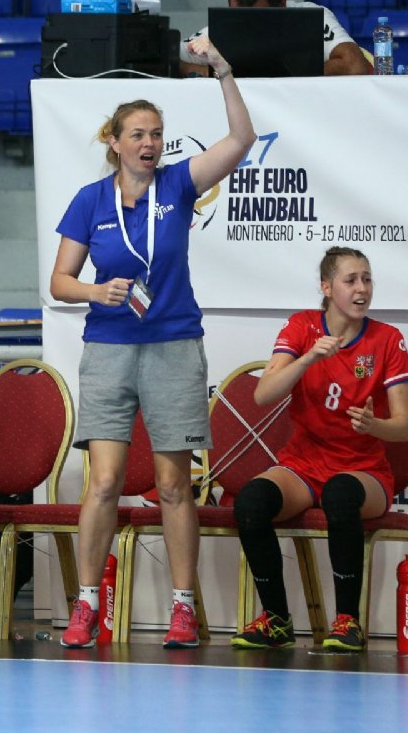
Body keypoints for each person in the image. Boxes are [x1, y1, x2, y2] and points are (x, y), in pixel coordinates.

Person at [50, 35, 256, 649]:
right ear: (114, 142)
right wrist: (97, 291)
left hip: (173, 344)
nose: (149, 143)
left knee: (172, 484)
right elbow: (60, 281)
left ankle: (184, 607)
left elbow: (242, 140)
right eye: (138, 134)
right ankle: (87, 604)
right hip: (108, 348)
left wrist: (222, 70)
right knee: (104, 482)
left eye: (157, 134)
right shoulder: (90, 200)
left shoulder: (179, 184)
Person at [231, 247, 408, 653]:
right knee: (251, 503)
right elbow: (263, 394)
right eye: (351, 280)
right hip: (303, 465)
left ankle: (348, 621)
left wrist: (374, 425)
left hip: (363, 470)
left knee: (340, 495)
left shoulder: (388, 339)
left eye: (367, 279)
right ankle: (277, 620)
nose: (362, 289)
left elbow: (404, 428)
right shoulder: (302, 327)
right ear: (327, 287)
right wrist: (307, 359)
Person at [180, 0, 370, 77]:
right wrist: (217, 72)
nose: (246, 26)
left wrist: (290, 74)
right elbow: (171, 59)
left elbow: (355, 65)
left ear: (282, 4)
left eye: (256, 17)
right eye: (238, 16)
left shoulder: (312, 16)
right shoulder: (224, 27)